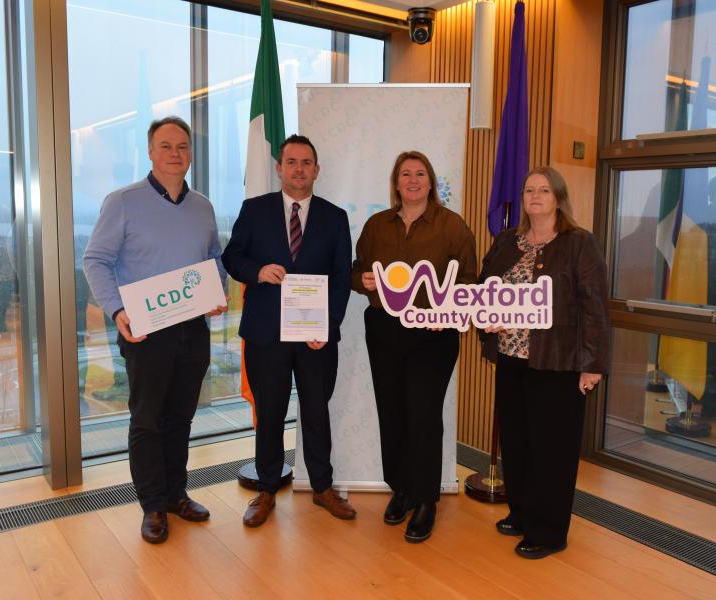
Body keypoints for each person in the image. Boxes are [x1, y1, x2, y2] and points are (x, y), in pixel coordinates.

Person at [83, 116, 227, 544]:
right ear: (149, 151)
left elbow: (215, 257)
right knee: (147, 420)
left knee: (180, 416)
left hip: (193, 329)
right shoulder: (122, 201)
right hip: (145, 331)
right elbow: (95, 260)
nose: (175, 154)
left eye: (182, 146)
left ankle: (176, 493)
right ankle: (152, 506)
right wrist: (116, 309)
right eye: (166, 146)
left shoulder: (203, 206)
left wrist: (217, 288)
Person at [222, 134, 355, 526]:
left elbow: (341, 279)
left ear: (317, 169)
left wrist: (327, 327)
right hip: (267, 334)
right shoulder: (254, 209)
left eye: (306, 162)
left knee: (316, 411)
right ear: (279, 168)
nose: (299, 169)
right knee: (270, 413)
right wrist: (257, 272)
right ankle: (266, 491)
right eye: (291, 162)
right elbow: (232, 256)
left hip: (315, 338)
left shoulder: (335, 217)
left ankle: (322, 488)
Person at [479, 166, 609, 559]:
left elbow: (595, 308)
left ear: (558, 198)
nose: (534, 196)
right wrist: (488, 319)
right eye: (528, 189)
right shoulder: (506, 241)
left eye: (544, 190)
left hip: (559, 363)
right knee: (517, 443)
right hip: (511, 360)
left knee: (551, 449)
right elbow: (483, 291)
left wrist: (593, 364)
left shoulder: (578, 243)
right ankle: (521, 513)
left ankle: (550, 531)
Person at [351, 150, 476, 543]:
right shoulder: (376, 225)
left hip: (433, 335)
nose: (413, 180)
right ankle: (401, 489)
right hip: (384, 330)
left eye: (420, 173)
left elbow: (470, 281)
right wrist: (363, 281)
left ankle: (426, 500)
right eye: (405, 173)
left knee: (423, 414)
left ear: (431, 181)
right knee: (392, 411)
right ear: (396, 182)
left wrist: (454, 309)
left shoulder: (452, 226)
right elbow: (356, 272)